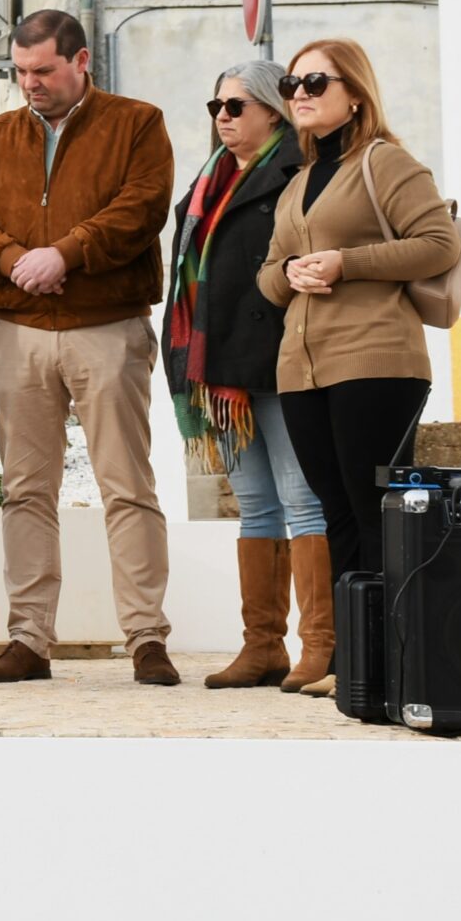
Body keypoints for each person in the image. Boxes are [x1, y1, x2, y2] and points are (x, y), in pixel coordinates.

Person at [0, 10, 179, 685]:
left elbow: (143, 207)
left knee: (127, 485)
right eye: (21, 72)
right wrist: (16, 255)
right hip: (18, 331)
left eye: (43, 70)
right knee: (25, 490)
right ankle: (28, 639)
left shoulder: (138, 123)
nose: (31, 84)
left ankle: (146, 637)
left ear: (81, 62)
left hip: (107, 328)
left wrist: (66, 255)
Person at [258, 38, 458, 696]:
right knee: (336, 512)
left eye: (317, 82)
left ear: (355, 93)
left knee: (376, 512)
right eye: (292, 85)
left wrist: (350, 263)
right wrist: (287, 273)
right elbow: (266, 277)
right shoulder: (296, 181)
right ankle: (353, 659)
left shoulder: (386, 162)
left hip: (376, 357)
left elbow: (436, 244)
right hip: (303, 368)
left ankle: (393, 659)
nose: (301, 95)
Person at [162, 59, 329, 691]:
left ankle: (321, 646)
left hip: (281, 360)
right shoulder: (209, 181)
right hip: (222, 367)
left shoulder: (298, 174)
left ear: (272, 110)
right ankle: (262, 646)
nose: (223, 118)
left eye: (235, 106)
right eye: (216, 108)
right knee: (256, 506)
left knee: (302, 500)